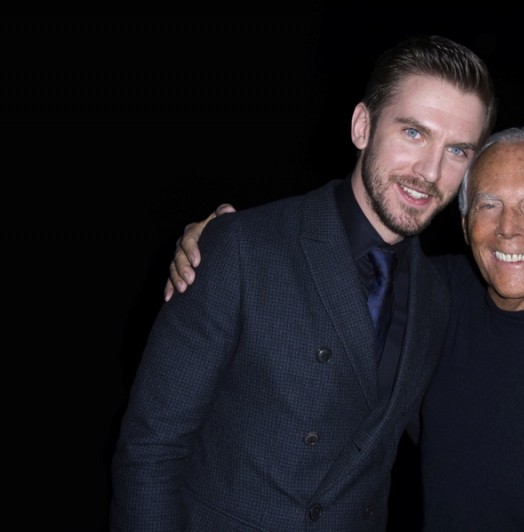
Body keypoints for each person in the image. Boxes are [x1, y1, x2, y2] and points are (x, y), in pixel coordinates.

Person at [165, 126, 524, 530]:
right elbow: (317, 258)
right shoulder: (429, 299)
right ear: (465, 224)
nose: (509, 228)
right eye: (488, 204)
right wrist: (219, 237)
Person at [110, 34, 497, 531]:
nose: (430, 172)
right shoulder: (244, 247)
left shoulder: (437, 296)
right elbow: (151, 447)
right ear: (363, 126)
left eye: (458, 150)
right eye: (414, 133)